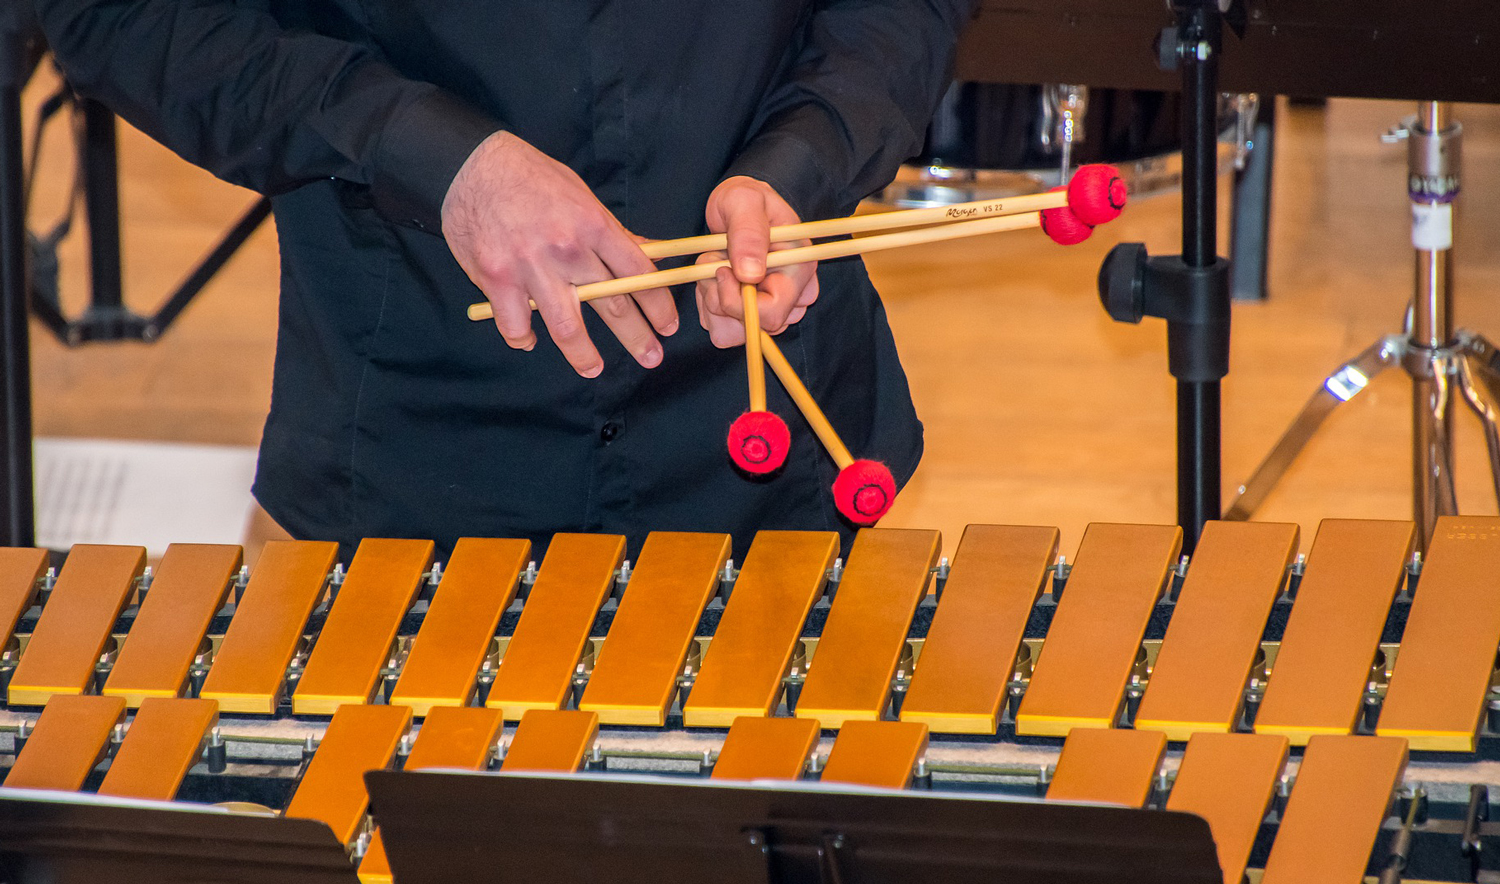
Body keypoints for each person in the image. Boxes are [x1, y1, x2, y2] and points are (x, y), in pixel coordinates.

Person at [33, 1, 976, 562]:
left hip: (773, 432)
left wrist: (805, 156)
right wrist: (435, 158)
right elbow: (122, 16)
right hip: (411, 432)